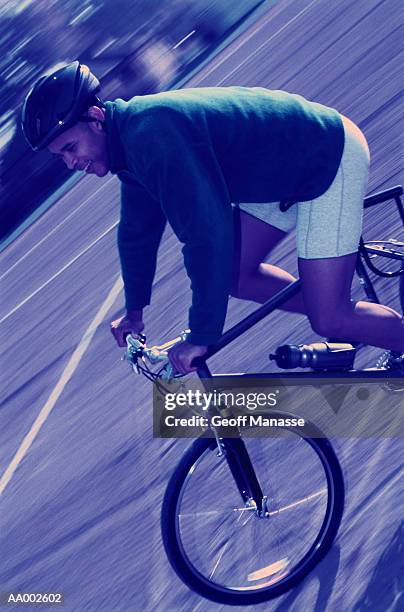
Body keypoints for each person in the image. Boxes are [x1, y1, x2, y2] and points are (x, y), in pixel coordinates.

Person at [22, 62, 404, 374]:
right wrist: (134, 312)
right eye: (61, 157)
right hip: (278, 174)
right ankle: (354, 315)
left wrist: (202, 334)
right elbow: (137, 233)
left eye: (71, 147)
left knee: (330, 319)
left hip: (323, 159)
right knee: (235, 275)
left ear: (94, 117)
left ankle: (354, 320)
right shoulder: (128, 145)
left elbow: (207, 234)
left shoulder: (151, 135)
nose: (72, 163)